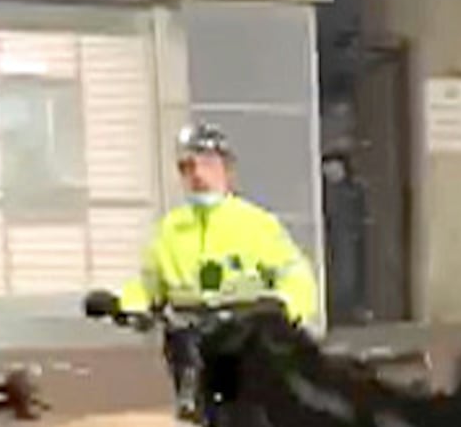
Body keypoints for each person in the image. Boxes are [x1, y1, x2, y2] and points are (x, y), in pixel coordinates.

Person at [116, 123, 318, 325]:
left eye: (208, 164)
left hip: (246, 340)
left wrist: (285, 311)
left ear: (227, 170)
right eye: (188, 167)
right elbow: (146, 285)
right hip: (188, 342)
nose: (198, 175)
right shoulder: (168, 230)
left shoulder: (257, 224)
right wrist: (128, 306)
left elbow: (296, 278)